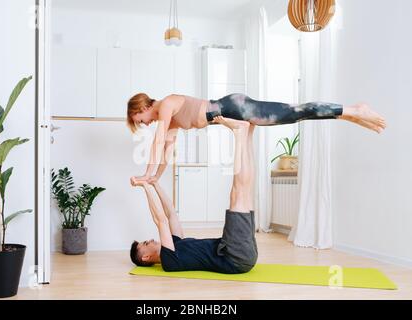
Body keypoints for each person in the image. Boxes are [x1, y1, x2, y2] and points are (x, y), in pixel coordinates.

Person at [127, 93, 387, 184]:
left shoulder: (167, 105)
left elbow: (158, 141)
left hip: (235, 108)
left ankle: (353, 110)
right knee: (295, 115)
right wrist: (153, 176)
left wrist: (144, 173)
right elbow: (166, 150)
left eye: (141, 121)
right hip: (234, 111)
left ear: (141, 109)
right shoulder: (169, 118)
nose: (145, 124)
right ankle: (350, 113)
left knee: (294, 112)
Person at [130, 118, 258, 273]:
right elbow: (160, 220)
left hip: (238, 252)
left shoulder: (175, 245)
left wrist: (155, 184)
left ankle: (248, 134)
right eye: (145, 244)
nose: (149, 240)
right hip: (235, 257)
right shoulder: (169, 261)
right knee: (238, 194)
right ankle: (240, 133)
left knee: (245, 192)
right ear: (146, 258)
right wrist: (144, 187)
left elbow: (170, 214)